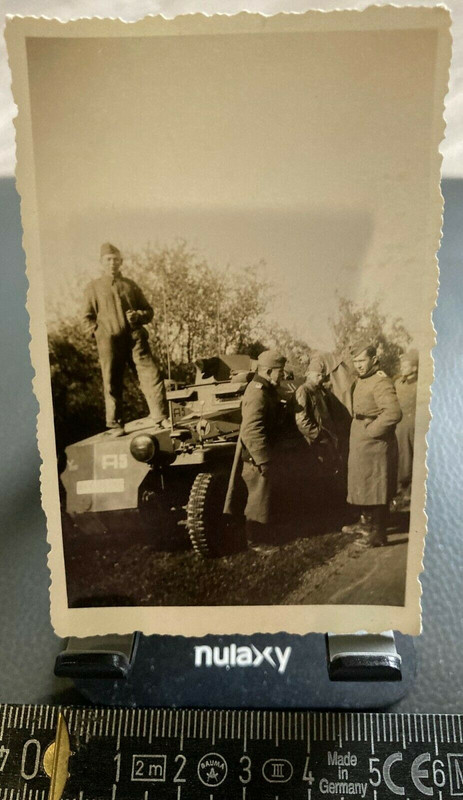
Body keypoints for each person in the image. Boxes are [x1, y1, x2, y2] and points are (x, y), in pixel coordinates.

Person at [82, 243, 169, 436]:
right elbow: (86, 317)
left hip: (136, 339)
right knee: (112, 380)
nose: (112, 263)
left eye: (116, 259)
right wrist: (97, 333)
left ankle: (160, 417)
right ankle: (115, 424)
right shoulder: (93, 287)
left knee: (152, 374)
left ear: (121, 261)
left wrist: (138, 315)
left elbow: (149, 311)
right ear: (101, 262)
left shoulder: (130, 285)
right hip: (109, 341)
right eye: (108, 259)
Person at [342, 341, 402, 547]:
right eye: (355, 361)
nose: (358, 365)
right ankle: (366, 524)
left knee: (377, 487)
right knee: (363, 483)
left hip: (375, 442)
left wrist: (371, 431)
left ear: (374, 359)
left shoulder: (380, 381)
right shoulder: (362, 378)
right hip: (361, 439)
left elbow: (393, 413)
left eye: (362, 360)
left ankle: (378, 535)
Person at [223, 349, 286, 544]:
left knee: (264, 497)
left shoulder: (265, 389)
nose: (283, 375)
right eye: (280, 371)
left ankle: (264, 535)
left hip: (262, 454)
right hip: (255, 457)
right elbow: (251, 430)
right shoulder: (257, 392)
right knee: (257, 500)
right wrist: (263, 459)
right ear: (268, 371)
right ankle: (256, 541)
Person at [394, 349, 419, 505]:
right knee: (402, 458)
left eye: (406, 365)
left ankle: (411, 492)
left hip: (415, 426)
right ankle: (401, 491)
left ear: (414, 368)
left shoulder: (421, 385)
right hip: (400, 427)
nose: (402, 368)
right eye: (401, 365)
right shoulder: (397, 383)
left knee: (415, 457)